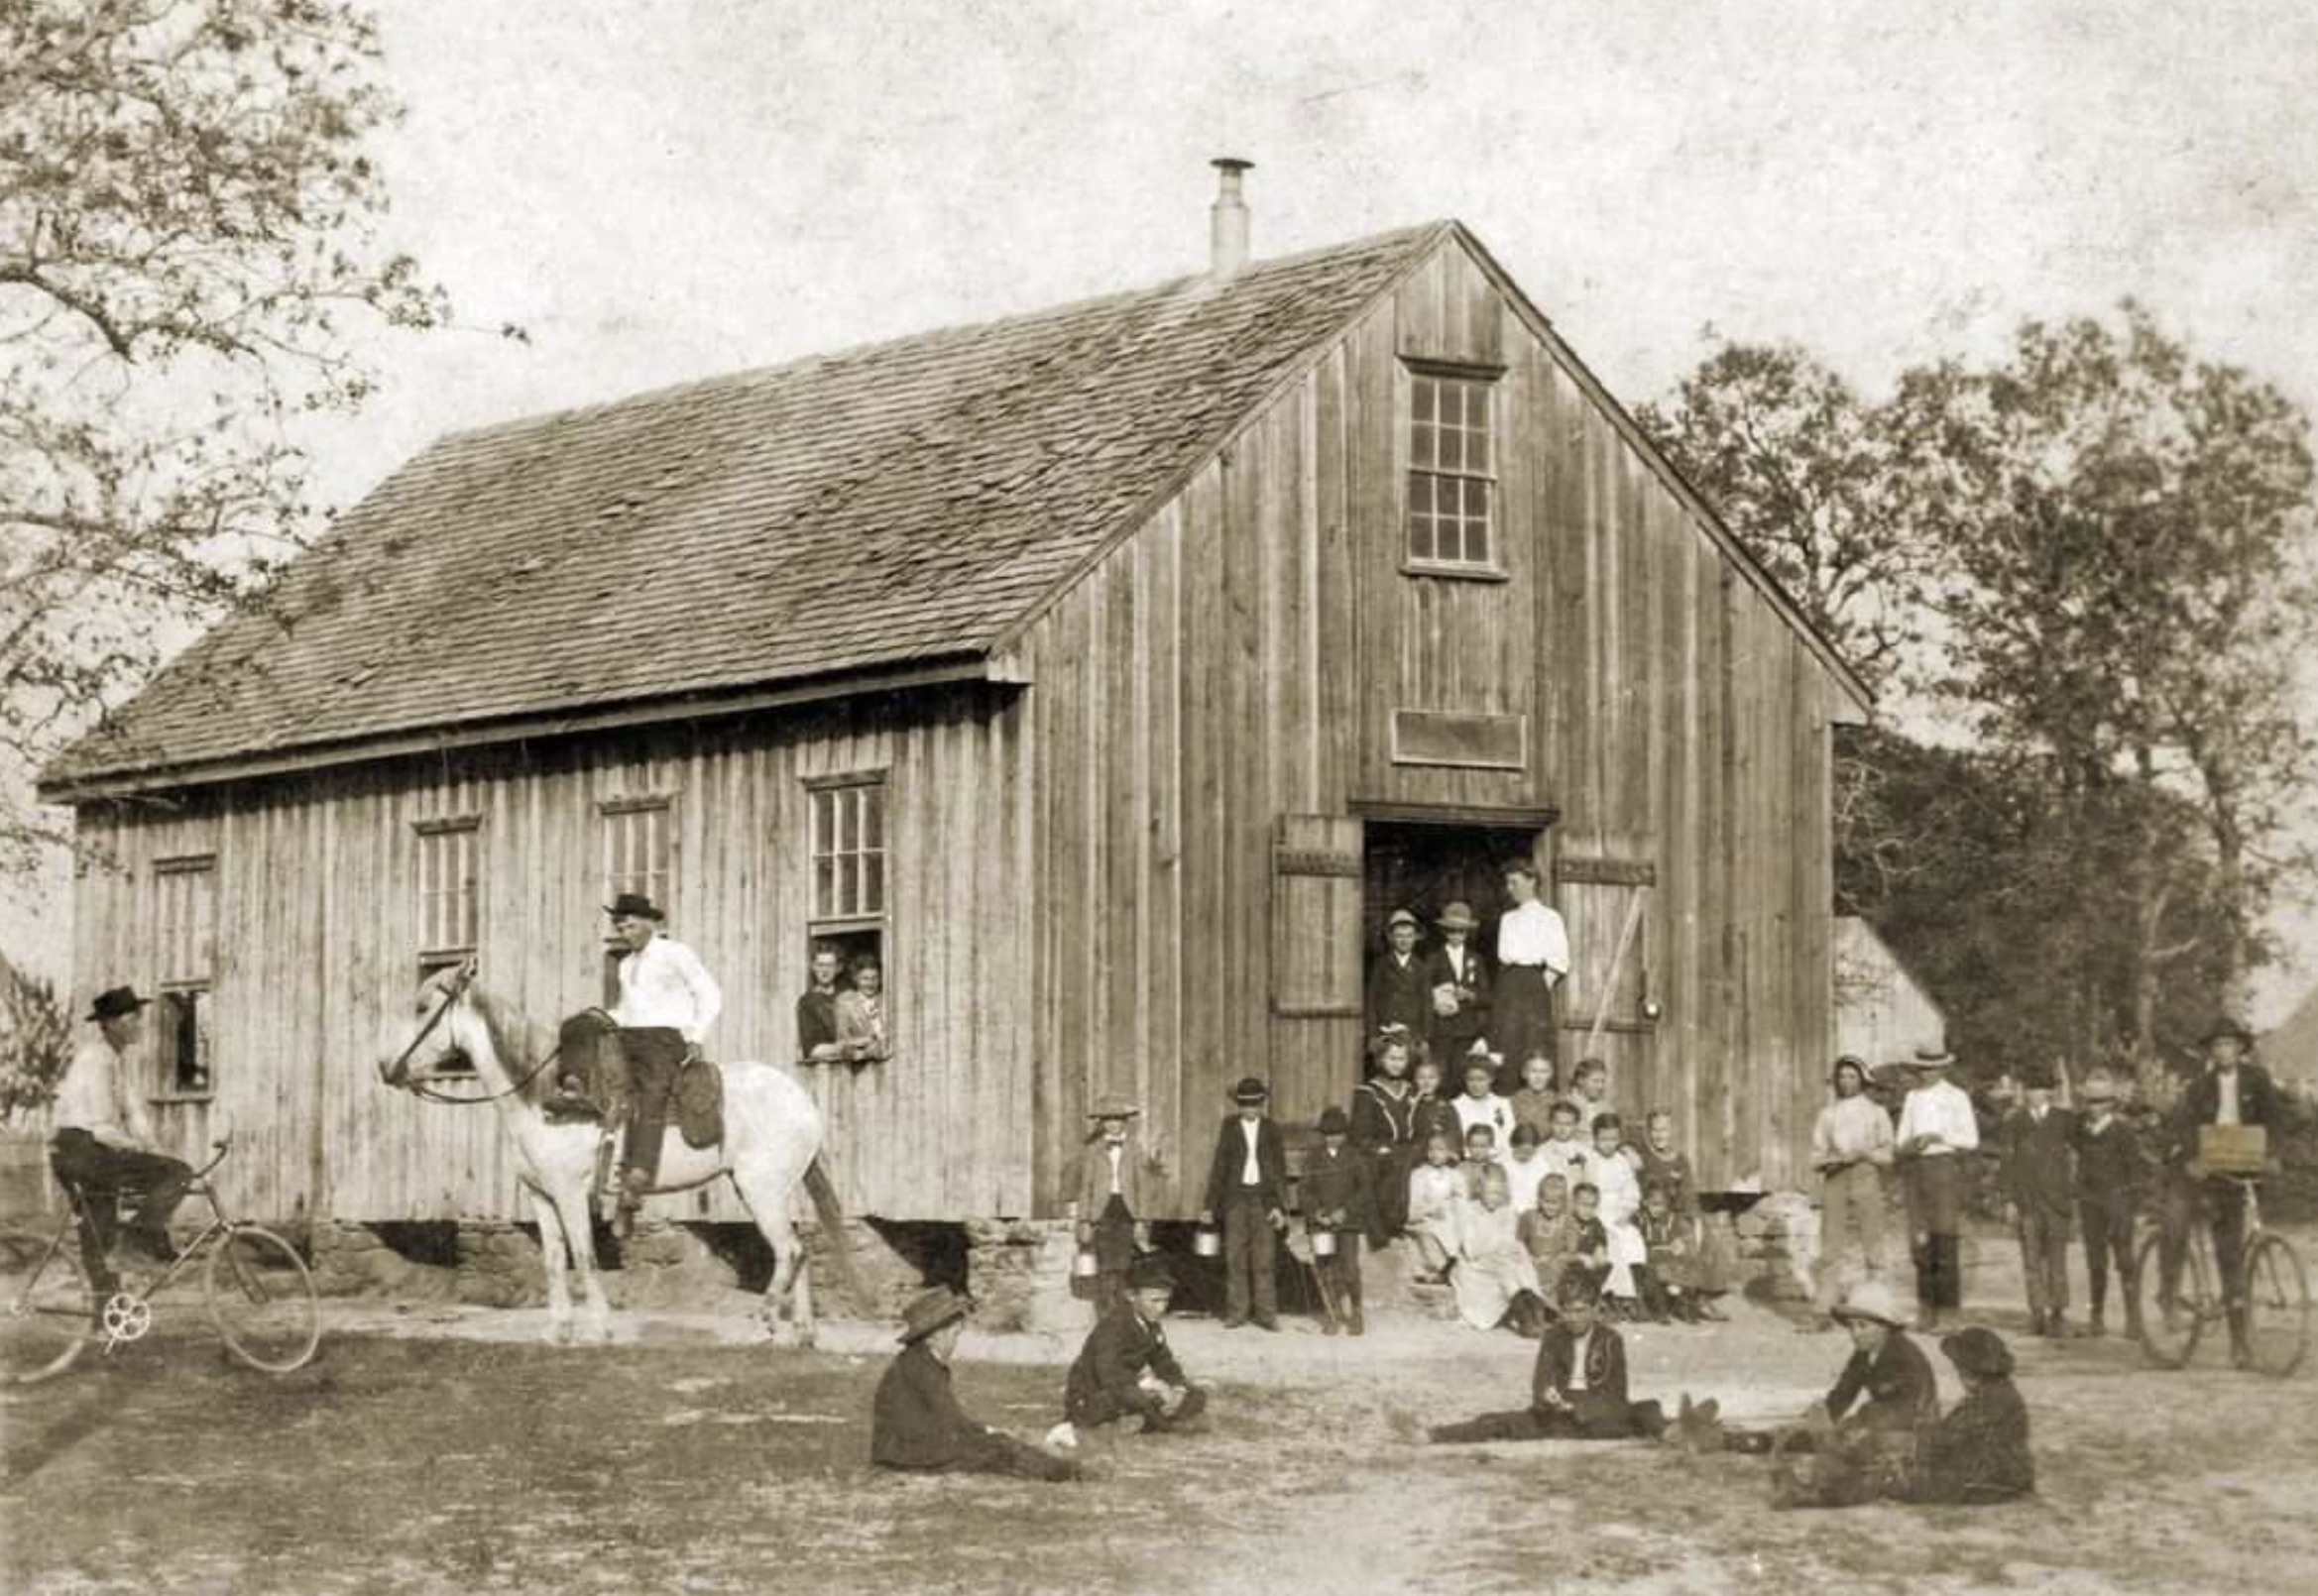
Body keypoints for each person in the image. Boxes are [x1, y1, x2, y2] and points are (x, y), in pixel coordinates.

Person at [50, 986, 194, 1293]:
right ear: (113, 1023)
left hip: (73, 1151)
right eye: (134, 1018)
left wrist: (154, 1148)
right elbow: (102, 1127)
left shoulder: (112, 1059)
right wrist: (140, 1149)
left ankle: (106, 1316)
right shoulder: (97, 1061)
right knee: (178, 1173)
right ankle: (139, 1242)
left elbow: (132, 1111)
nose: (140, 1024)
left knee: (100, 1235)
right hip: (82, 1149)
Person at [2162, 1018, 2282, 1368]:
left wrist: (2273, 1154)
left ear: (2241, 1048)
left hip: (2244, 1167)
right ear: (2211, 1051)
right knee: (2191, 1230)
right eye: (2217, 1045)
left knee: (2237, 1253)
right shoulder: (2199, 1087)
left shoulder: (2257, 1080)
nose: (2224, 1051)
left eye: (2230, 1044)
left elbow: (2275, 1120)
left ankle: (2240, 1340)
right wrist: (2194, 1158)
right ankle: (2173, 1298)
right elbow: (2184, 1127)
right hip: (2208, 1170)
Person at [872, 1287, 1083, 1481]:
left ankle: (1058, 1468)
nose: (954, 1339)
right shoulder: (923, 1368)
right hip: (910, 1454)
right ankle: (1066, 1473)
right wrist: (985, 1433)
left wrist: (981, 1431)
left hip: (905, 1449)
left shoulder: (917, 1361)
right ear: (934, 1336)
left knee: (994, 1446)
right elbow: (950, 1420)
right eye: (952, 1332)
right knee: (999, 1446)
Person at [604, 892, 723, 1232]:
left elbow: (709, 993)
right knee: (596, 1082)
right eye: (620, 926)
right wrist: (602, 1018)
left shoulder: (675, 953)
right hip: (629, 1038)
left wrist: (697, 1036)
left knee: (651, 1095)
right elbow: (628, 1010)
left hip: (664, 1041)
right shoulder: (626, 965)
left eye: (629, 924)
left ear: (648, 923)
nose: (624, 931)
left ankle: (635, 1183)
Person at [1427, 1277, 1666, 1442]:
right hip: (1559, 1412)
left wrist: (1581, 1408)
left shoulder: (1610, 1339)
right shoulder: (1553, 1336)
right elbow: (1541, 1381)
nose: (1572, 1318)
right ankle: (1435, 1435)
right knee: (1498, 1423)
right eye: (1567, 1311)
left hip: (1597, 1413)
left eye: (1580, 1310)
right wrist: (1548, 1396)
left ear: (1596, 1309)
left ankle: (1679, 1430)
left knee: (1643, 1413)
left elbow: (1616, 1394)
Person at [1770, 1279, 1938, 1509]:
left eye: (1862, 1326)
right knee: (1808, 1434)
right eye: (1851, 1326)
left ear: (1885, 1327)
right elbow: (1843, 1392)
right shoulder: (1864, 1353)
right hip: (1880, 1421)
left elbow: (1905, 1408)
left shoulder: (1904, 1356)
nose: (1855, 1333)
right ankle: (1733, 1439)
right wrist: (1815, 1418)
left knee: (1843, 1450)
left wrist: (1853, 1427)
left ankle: (1809, 1491)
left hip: (1911, 1429)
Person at [1053, 1256, 1208, 1446]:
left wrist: (1177, 1388)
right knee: (1134, 1396)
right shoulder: (1114, 1326)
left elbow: (1165, 1362)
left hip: (1127, 1389)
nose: (1161, 1308)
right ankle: (1155, 1424)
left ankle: (1140, 1420)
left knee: (1196, 1395)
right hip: (1096, 1394)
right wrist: (1151, 1384)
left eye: (1165, 1301)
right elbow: (1108, 1374)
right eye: (1154, 1300)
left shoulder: (1151, 1326)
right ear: (1131, 1296)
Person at [1895, 1045, 1978, 1329]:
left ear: (1943, 1068)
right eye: (1922, 1068)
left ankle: (1948, 1311)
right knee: (1920, 1241)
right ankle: (1926, 1309)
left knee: (1944, 1240)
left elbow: (1971, 1139)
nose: (1926, 1073)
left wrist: (1939, 1135)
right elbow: (1900, 1139)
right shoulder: (1912, 1097)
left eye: (1931, 1068)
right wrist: (1912, 1144)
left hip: (1944, 1168)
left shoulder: (1956, 1097)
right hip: (1917, 1169)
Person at [1808, 1056, 1895, 1318]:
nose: (1846, 1082)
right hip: (1836, 1178)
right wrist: (1834, 1159)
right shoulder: (1828, 1114)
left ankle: (1876, 1307)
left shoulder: (1876, 1112)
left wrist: (1865, 1154)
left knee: (1873, 1241)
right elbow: (1815, 1157)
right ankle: (1824, 1308)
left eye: (1852, 1077)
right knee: (1831, 1245)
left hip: (1866, 1176)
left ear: (1862, 1081)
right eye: (1842, 1077)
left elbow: (1888, 1154)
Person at [1199, 1077, 1287, 1330]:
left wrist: (1279, 1206)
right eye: (1245, 1105)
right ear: (1239, 1106)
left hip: (1263, 1199)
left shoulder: (1272, 1129)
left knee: (1264, 1259)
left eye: (1255, 1105)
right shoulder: (1229, 1127)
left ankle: (1267, 1314)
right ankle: (1237, 1312)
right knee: (1235, 1257)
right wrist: (1209, 1206)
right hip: (1235, 1200)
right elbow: (1219, 1167)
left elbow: (1279, 1170)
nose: (1250, 1110)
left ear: (1262, 1105)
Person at [1915, 1326, 2034, 1504]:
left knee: (1898, 1481)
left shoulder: (1989, 1400)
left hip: (1990, 1481)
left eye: (1960, 1369)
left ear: (1971, 1372)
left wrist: (1924, 1425)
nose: (1959, 1375)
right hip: (2003, 1474)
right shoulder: (1997, 1391)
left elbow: (1944, 1440)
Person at [1636, 1106, 1731, 1320]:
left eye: (1664, 1130)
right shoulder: (1643, 1158)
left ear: (1672, 1131)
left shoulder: (1680, 1160)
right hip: (1652, 1215)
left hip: (1675, 1214)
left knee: (1703, 1235)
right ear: (1648, 1132)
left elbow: (1688, 1193)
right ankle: (1680, 1298)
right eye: (1655, 1130)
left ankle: (1700, 1296)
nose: (1660, 1135)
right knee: (1677, 1236)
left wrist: (1695, 1219)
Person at [2002, 1069, 2077, 1336]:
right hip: (2028, 1202)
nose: (2034, 1094)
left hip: (2056, 1201)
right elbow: (2008, 1162)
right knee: (2031, 1260)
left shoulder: (2064, 1120)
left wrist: (2072, 1192)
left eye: (2040, 1088)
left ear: (2050, 1092)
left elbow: (2078, 1156)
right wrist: (2010, 1199)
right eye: (2030, 1089)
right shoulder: (2016, 1121)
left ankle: (2058, 1314)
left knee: (2057, 1260)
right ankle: (2037, 1313)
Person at [2071, 1067, 2142, 1338]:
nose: (2094, 1108)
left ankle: (2133, 1319)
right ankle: (2096, 1316)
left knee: (2125, 1261)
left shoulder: (2123, 1131)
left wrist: (2132, 1205)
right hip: (2091, 1202)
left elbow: (2135, 1170)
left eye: (2100, 1101)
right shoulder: (2081, 1128)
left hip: (2118, 1201)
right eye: (2090, 1101)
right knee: (2095, 1261)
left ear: (2112, 1103)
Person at [1300, 1105, 1374, 1335]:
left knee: (1350, 1268)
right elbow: (1305, 1189)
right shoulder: (1313, 1157)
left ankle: (1356, 1311)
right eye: (1329, 1134)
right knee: (1325, 1269)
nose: (1334, 1138)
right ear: (1323, 1135)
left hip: (1346, 1224)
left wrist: (1346, 1210)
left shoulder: (1354, 1156)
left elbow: (1365, 1189)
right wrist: (1316, 1212)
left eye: (1338, 1134)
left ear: (1346, 1134)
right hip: (1321, 1225)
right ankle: (1332, 1315)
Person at [1074, 1093, 1149, 1317]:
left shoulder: (1135, 1149)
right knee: (1106, 1264)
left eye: (1117, 1119)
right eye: (1108, 1120)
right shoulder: (1093, 1149)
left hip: (1126, 1210)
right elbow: (1086, 1186)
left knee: (1124, 1264)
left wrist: (1142, 1219)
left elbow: (1141, 1185)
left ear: (1125, 1121)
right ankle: (1106, 1315)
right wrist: (1084, 1220)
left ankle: (1124, 1314)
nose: (1113, 1124)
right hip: (1102, 1211)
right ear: (1102, 1123)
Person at [1492, 862, 1567, 1086]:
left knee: (1534, 1043)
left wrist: (1539, 986)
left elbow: (1559, 961)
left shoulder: (1550, 917)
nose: (1509, 888)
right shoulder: (1507, 919)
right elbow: (1504, 955)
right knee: (1507, 1042)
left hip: (1535, 984)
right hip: (1508, 983)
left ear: (1531, 881)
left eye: (1514, 882)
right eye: (1507, 883)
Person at [1449, 1163, 1546, 1333]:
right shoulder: (1469, 1211)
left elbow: (1509, 1240)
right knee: (1508, 1269)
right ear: (1480, 1189)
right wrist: (1499, 1243)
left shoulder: (1506, 1212)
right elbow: (1472, 1249)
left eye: (1500, 1193)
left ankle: (1534, 1306)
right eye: (1491, 1192)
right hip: (1476, 1267)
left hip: (1499, 1259)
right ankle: (1525, 1314)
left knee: (1520, 1256)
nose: (1496, 1198)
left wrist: (1511, 1247)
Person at [1350, 1029, 1420, 1244]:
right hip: (1379, 1150)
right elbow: (1360, 1134)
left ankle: (1407, 1223)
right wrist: (1377, 1147)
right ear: (1380, 1059)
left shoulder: (1410, 1089)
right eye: (1392, 1058)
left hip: (1407, 1149)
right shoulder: (1368, 1092)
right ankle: (1387, 1228)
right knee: (1388, 1167)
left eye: (1402, 1058)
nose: (1397, 1064)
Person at [1585, 1114, 1649, 1316]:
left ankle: (1634, 1295)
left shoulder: (1622, 1161)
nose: (1608, 1144)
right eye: (1603, 1139)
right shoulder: (1590, 1160)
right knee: (1611, 1243)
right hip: (1596, 1212)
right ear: (1595, 1139)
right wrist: (1593, 1214)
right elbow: (1585, 1190)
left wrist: (1627, 1210)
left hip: (1618, 1211)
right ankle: (1611, 1295)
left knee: (1633, 1239)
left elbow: (1631, 1190)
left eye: (1613, 1139)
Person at [1423, 900, 1493, 1066]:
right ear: (1444, 932)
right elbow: (1424, 992)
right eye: (1452, 931)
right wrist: (1437, 1001)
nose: (1456, 935)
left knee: (1462, 1074)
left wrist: (1470, 995)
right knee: (1441, 1074)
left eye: (1461, 931)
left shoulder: (1476, 959)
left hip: (1467, 1030)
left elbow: (1487, 997)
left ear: (1467, 933)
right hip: (1441, 1029)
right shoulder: (1433, 959)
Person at [1365, 909, 1433, 1049]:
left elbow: (1427, 1003)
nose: (1404, 940)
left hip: (1412, 1033)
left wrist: (1425, 1037)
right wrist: (1372, 1034)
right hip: (1385, 1031)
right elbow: (1371, 1001)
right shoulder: (1381, 965)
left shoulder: (1421, 968)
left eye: (1409, 936)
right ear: (1391, 938)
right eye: (1399, 936)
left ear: (1415, 938)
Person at [1405, 1129, 1465, 1279]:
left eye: (1440, 1149)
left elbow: (1462, 1199)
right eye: (1431, 1149)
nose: (1435, 1154)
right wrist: (1429, 1210)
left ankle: (1453, 1261)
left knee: (1456, 1224)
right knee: (1427, 1231)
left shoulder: (1454, 1175)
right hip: (1425, 1216)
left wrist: (1451, 1207)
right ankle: (1443, 1268)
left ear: (1449, 1153)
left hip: (1448, 1216)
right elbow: (1414, 1203)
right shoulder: (1419, 1174)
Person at [1637, 1181, 1698, 1322]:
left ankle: (1683, 1306)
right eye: (1654, 1204)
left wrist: (1681, 1243)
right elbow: (1637, 1240)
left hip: (1671, 1257)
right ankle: (1660, 1308)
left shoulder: (1673, 1220)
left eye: (1662, 1205)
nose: (1658, 1209)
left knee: (1685, 1269)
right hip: (1651, 1258)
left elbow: (1684, 1236)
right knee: (1655, 1273)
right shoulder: (1641, 1219)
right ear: (1645, 1202)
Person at [1519, 1173, 1584, 1303]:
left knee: (1563, 1269)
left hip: (1556, 1263)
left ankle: (1551, 1305)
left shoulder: (1568, 1222)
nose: (1551, 1207)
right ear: (1539, 1200)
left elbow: (1571, 1249)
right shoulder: (1530, 1217)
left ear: (1563, 1203)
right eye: (1547, 1201)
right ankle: (1532, 1303)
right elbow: (1519, 1241)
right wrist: (1530, 1258)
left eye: (1555, 1203)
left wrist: (1555, 1259)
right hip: (1533, 1261)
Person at [1452, 1056, 1514, 1158]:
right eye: (1471, 1079)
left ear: (1491, 1079)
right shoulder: (1456, 1106)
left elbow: (1509, 1138)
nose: (1476, 1085)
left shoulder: (1502, 1104)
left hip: (1499, 1161)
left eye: (1481, 1079)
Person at [796, 943, 846, 1064]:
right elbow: (812, 1050)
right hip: (824, 1072)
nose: (824, 970)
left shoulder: (848, 996)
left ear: (838, 968)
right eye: (820, 965)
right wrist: (844, 1047)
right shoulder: (807, 1002)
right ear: (813, 967)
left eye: (829, 965)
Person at [834, 956, 888, 1062]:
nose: (870, 983)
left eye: (874, 978)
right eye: (865, 979)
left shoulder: (886, 999)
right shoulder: (845, 1003)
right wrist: (866, 1045)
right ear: (856, 979)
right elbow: (842, 1042)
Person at [1409, 1054, 1462, 1160]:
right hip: (1416, 1157)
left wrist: (1450, 1152)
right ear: (1415, 1079)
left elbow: (1454, 1132)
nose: (1426, 1082)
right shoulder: (1410, 1105)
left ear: (1439, 1080)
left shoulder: (1446, 1107)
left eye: (1432, 1077)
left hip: (1440, 1157)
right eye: (1421, 1077)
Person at [1508, 1052, 1561, 1141]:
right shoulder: (1513, 1101)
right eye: (1534, 1071)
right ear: (1524, 1074)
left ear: (1550, 1074)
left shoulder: (1558, 1101)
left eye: (1543, 1071)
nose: (1538, 1076)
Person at [1541, 1097, 1592, 1188]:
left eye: (1568, 1124)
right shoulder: (1542, 1151)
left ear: (1576, 1125)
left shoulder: (1585, 1151)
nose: (1563, 1129)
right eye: (1558, 1123)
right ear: (1550, 1123)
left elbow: (1589, 1181)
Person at [1504, 1122, 1552, 1216]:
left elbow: (1547, 1192)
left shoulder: (1542, 1164)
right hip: (1509, 1213)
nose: (1525, 1156)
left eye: (1530, 1152)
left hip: (1534, 1213)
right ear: (1513, 1145)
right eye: (1522, 1151)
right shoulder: (1503, 1163)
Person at [1570, 1057, 1617, 1133]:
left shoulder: (1607, 1108)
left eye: (1602, 1081)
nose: (1600, 1086)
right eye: (1595, 1081)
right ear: (1580, 1080)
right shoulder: (1567, 1105)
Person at [1457, 1122, 1502, 1199]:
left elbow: (1501, 1195)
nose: (1478, 1150)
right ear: (1468, 1145)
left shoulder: (1496, 1169)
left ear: (1490, 1145)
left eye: (1482, 1146)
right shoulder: (1461, 1168)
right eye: (1474, 1146)